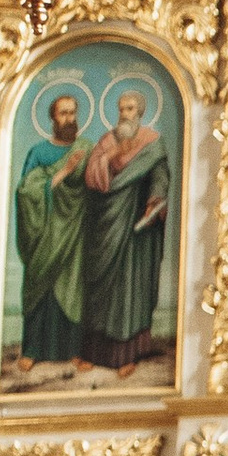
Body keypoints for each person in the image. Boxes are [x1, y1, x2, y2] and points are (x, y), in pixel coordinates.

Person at [76, 85, 173, 377]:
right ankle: (92, 352)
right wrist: (106, 159)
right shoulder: (107, 141)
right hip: (105, 223)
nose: (124, 114)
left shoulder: (152, 142)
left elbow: (160, 176)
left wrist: (154, 201)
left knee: (130, 288)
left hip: (134, 228)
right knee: (98, 287)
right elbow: (92, 179)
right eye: (121, 108)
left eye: (130, 108)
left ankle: (128, 355)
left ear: (140, 113)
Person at [13, 90, 92, 373]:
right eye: (63, 113)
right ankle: (32, 350)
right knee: (39, 288)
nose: (69, 118)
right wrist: (62, 173)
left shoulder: (86, 148)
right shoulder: (40, 153)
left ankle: (74, 352)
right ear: (52, 118)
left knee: (74, 289)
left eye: (73, 112)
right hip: (45, 234)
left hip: (75, 232)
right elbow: (25, 192)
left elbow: (95, 185)